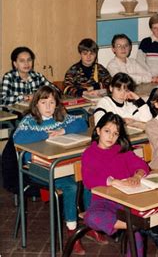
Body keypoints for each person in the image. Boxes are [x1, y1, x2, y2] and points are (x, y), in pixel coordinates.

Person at [13, 85, 90, 254]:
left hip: (60, 163)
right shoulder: (30, 120)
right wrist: (46, 134)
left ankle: (92, 223)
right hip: (38, 168)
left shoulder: (60, 117)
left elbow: (82, 122)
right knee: (71, 186)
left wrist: (63, 129)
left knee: (90, 177)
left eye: (52, 102)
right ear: (36, 104)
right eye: (43, 102)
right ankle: (72, 231)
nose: (48, 107)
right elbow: (18, 137)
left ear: (57, 104)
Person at [82, 113, 150, 256]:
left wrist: (137, 176)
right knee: (91, 217)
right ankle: (131, 226)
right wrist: (111, 181)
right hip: (103, 201)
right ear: (98, 130)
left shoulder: (121, 150)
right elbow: (88, 180)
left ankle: (133, 226)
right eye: (107, 131)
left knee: (135, 237)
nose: (111, 137)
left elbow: (141, 165)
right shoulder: (89, 153)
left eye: (115, 134)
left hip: (126, 200)